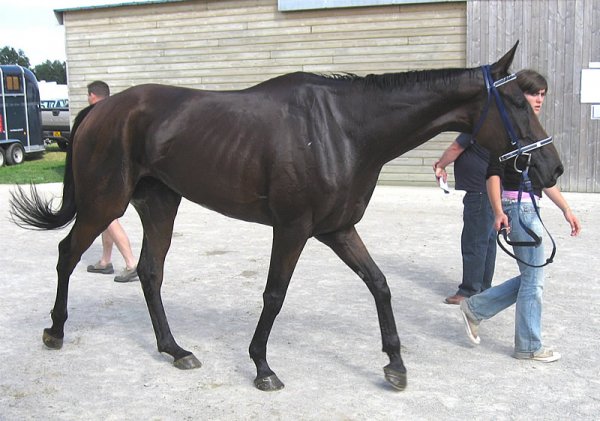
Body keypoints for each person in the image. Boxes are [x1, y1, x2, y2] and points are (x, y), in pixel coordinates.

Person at [459, 70, 581, 362]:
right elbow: (492, 175)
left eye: (542, 94)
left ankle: (475, 309)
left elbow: (545, 180)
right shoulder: (505, 132)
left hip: (530, 207)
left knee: (532, 278)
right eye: (533, 93)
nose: (538, 99)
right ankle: (528, 345)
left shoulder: (530, 130)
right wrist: (499, 211)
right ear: (518, 96)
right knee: (534, 281)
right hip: (517, 209)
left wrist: (566, 209)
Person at [85, 81, 139, 283]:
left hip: (104, 176)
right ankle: (105, 261)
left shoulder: (97, 116)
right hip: (117, 174)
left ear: (92, 96)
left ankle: (131, 262)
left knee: (107, 218)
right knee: (106, 219)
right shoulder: (116, 114)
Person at [434, 134, 496, 305]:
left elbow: (455, 148)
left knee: (474, 241)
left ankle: (469, 291)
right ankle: (483, 287)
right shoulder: (492, 124)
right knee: (487, 241)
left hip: (479, 191)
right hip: (491, 190)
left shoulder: (476, 125)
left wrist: (440, 165)